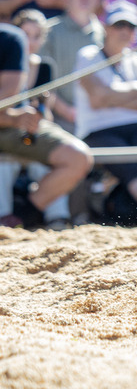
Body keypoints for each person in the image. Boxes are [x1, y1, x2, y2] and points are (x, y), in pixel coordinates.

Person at [74, 1, 137, 210]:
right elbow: (97, 99)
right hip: (98, 130)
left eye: (130, 26)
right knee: (132, 170)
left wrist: (111, 96)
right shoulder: (88, 56)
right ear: (106, 28)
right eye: (119, 25)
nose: (124, 31)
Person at [0, 15, 92, 229]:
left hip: (24, 133)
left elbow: (43, 114)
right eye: (25, 35)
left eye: (36, 36)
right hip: (12, 128)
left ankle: (25, 216)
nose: (30, 41)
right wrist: (13, 118)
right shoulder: (12, 42)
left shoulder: (35, 60)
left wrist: (32, 117)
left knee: (78, 157)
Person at [39, 0, 107, 131]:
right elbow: (41, 85)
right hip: (59, 123)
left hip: (102, 121)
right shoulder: (48, 32)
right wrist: (69, 112)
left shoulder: (108, 34)